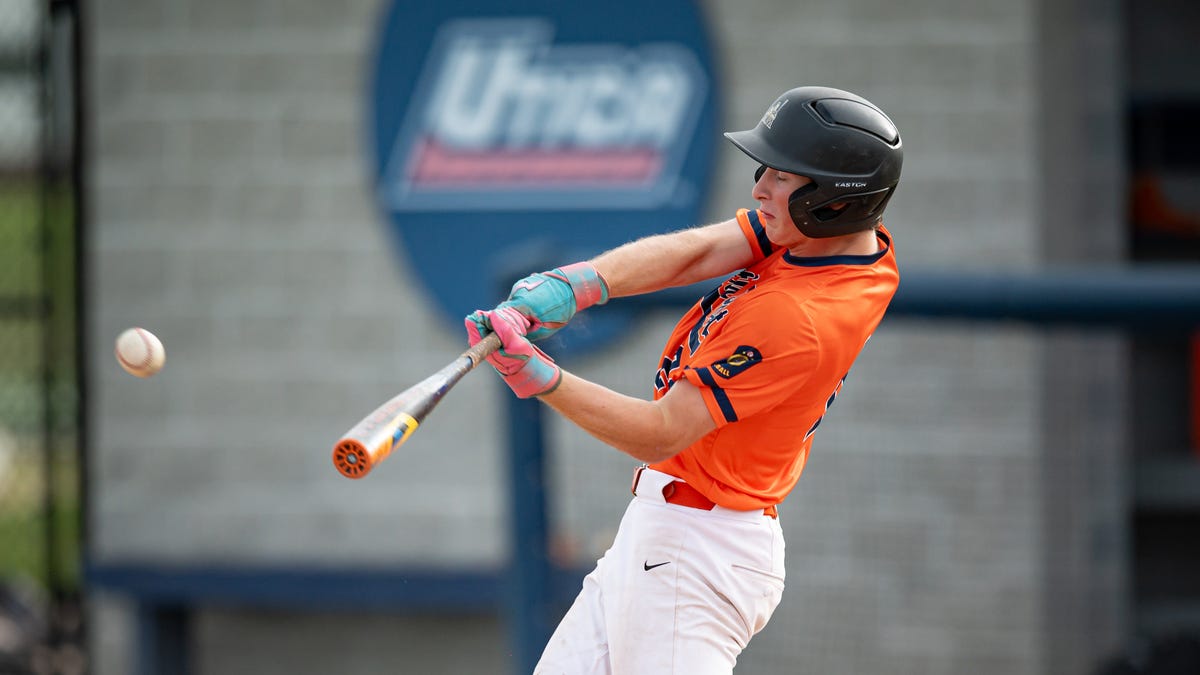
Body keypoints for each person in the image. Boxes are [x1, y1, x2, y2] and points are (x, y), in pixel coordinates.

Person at [465, 86, 903, 674]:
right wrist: (580, 284)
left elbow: (661, 432)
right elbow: (697, 253)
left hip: (698, 552)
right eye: (765, 169)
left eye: (784, 176)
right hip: (668, 531)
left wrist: (540, 378)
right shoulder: (839, 242)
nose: (760, 189)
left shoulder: (798, 317)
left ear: (834, 199)